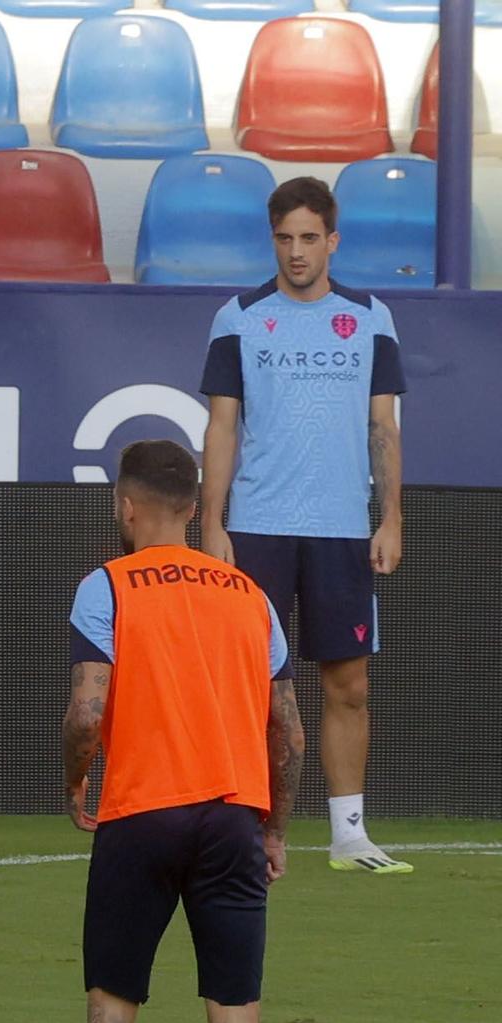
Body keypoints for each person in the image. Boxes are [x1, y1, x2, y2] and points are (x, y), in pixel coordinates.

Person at [60, 440, 304, 1023]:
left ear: (125, 508)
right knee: (236, 1017)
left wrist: (74, 780)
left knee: (111, 1009)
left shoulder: (108, 587)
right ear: (197, 509)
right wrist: (274, 826)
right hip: (233, 816)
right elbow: (291, 733)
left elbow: (87, 712)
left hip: (139, 815)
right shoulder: (250, 595)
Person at [199, 175, 409, 874]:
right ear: (273, 241)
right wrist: (213, 521)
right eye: (285, 238)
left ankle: (349, 835)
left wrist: (392, 518)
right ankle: (247, 827)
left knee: (348, 685)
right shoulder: (239, 316)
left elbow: (383, 427)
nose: (296, 252)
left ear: (333, 241)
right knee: (250, 688)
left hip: (344, 530)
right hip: (257, 525)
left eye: (309, 238)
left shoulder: (371, 317)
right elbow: (222, 427)